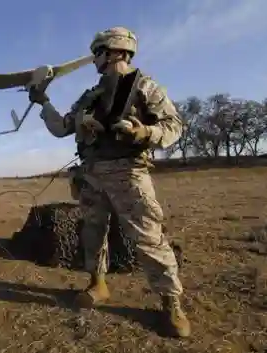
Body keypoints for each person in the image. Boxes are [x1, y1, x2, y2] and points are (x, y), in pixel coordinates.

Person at [28, 27, 191, 338]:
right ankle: (97, 284)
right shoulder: (90, 95)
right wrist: (43, 102)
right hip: (91, 174)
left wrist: (144, 132)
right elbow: (63, 127)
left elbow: (174, 126)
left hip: (129, 172)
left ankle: (172, 303)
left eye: (98, 53)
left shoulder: (146, 86)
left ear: (114, 50)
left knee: (148, 238)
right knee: (91, 232)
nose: (95, 60)